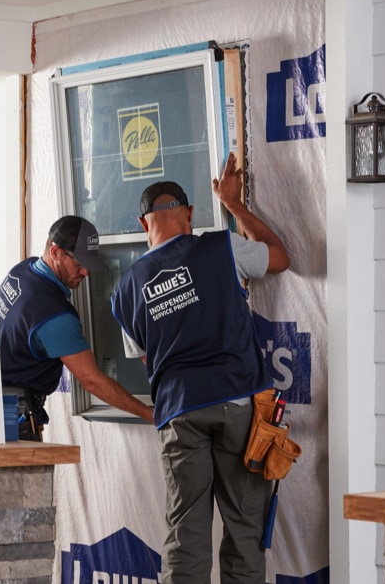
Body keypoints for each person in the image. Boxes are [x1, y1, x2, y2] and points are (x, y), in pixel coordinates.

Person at [110, 153, 290, 584]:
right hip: (237, 405)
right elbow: (279, 257)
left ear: (142, 224)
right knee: (245, 530)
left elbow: (147, 357)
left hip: (178, 412)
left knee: (185, 532)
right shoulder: (222, 246)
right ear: (188, 214)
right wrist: (234, 206)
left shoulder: (124, 291)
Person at [0, 215, 154, 441]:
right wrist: (150, 414)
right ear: (55, 252)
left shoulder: (23, 270)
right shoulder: (53, 314)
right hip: (14, 416)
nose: (86, 273)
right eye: (78, 263)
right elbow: (91, 381)